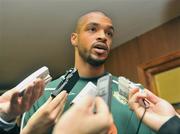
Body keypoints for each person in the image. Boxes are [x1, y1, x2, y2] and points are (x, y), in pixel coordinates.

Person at [21, 11, 156, 134]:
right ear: (74, 39)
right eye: (92, 29)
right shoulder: (41, 94)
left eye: (109, 33)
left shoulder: (136, 94)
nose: (103, 37)